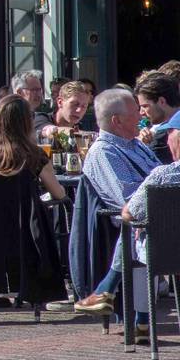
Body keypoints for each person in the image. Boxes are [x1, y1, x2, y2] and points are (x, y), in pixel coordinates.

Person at [73, 88, 161, 316]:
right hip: (140, 220)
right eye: (135, 112)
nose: (142, 116)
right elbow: (131, 200)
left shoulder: (136, 144)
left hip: (157, 215)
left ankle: (107, 291)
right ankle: (137, 315)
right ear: (117, 120)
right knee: (136, 223)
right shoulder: (104, 152)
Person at [119, 130, 180, 339]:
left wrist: (140, 225)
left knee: (141, 253)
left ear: (174, 149)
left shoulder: (163, 174)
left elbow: (130, 212)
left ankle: (143, 322)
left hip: (164, 253)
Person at [0, 95, 65, 201]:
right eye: (32, 115)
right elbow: (59, 194)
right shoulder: (34, 156)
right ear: (26, 123)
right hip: (23, 216)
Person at [135, 71, 180, 163]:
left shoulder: (168, 135)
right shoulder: (161, 132)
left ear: (162, 101)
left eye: (145, 106)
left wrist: (141, 145)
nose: (141, 113)